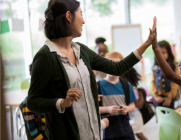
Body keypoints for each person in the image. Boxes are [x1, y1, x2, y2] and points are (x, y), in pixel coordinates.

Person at [27, 0, 157, 139]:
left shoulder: (81, 50)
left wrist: (147, 43)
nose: (83, 21)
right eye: (81, 14)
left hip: (92, 134)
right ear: (69, 16)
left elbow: (117, 68)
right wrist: (62, 102)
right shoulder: (45, 56)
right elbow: (33, 102)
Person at [99, 52, 137, 140]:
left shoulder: (126, 85)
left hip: (125, 128)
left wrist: (127, 108)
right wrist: (107, 109)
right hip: (107, 130)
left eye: (118, 64)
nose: (115, 68)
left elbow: (132, 106)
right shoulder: (98, 86)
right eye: (112, 64)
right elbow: (93, 109)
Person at [121, 68, 148, 140]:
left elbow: (134, 104)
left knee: (135, 135)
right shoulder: (132, 88)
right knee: (139, 135)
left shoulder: (130, 88)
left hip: (134, 116)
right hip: (132, 116)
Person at [151, 40, 179, 109]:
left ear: (169, 53)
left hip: (169, 97)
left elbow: (175, 83)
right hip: (158, 97)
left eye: (163, 52)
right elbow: (152, 82)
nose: (161, 55)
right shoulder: (155, 67)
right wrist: (155, 96)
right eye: (159, 53)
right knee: (160, 116)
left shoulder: (174, 67)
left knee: (170, 116)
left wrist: (170, 97)